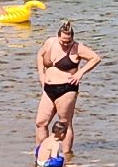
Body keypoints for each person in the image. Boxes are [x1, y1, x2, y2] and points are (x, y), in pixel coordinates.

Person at [34, 20, 102, 158]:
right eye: (63, 41)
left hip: (66, 88)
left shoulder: (77, 48)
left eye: (68, 41)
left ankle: (67, 156)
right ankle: (41, 153)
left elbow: (96, 58)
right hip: (48, 88)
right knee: (40, 122)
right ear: (58, 36)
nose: (65, 44)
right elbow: (40, 55)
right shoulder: (50, 42)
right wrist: (41, 73)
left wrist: (80, 73)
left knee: (65, 123)